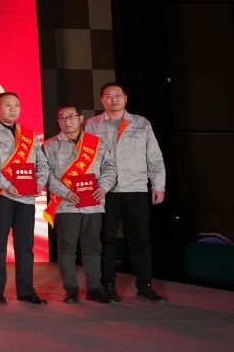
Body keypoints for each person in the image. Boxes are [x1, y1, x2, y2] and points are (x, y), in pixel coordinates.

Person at [85, 82, 166, 302]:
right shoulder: (92, 124)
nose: (113, 100)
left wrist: (158, 186)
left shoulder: (141, 123)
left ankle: (144, 285)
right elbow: (87, 159)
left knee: (140, 239)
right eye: (108, 96)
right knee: (107, 240)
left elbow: (154, 157)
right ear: (102, 100)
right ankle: (108, 285)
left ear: (125, 98)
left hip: (136, 188)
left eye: (117, 95)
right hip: (105, 191)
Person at [0, 92, 51, 305]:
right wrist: (7, 184)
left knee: (25, 246)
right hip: (0, 195)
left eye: (17, 105)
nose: (13, 109)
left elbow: (42, 163)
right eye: (8, 105)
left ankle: (26, 291)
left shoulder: (29, 136)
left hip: (26, 197)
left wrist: (39, 183)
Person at [42, 105, 116, 303]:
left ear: (81, 118)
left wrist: (103, 187)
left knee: (92, 247)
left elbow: (109, 168)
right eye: (62, 117)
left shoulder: (96, 143)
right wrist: (65, 192)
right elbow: (46, 175)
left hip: (93, 203)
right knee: (67, 248)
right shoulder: (50, 146)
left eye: (71, 116)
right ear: (58, 121)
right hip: (66, 204)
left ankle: (94, 288)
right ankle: (71, 290)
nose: (67, 121)